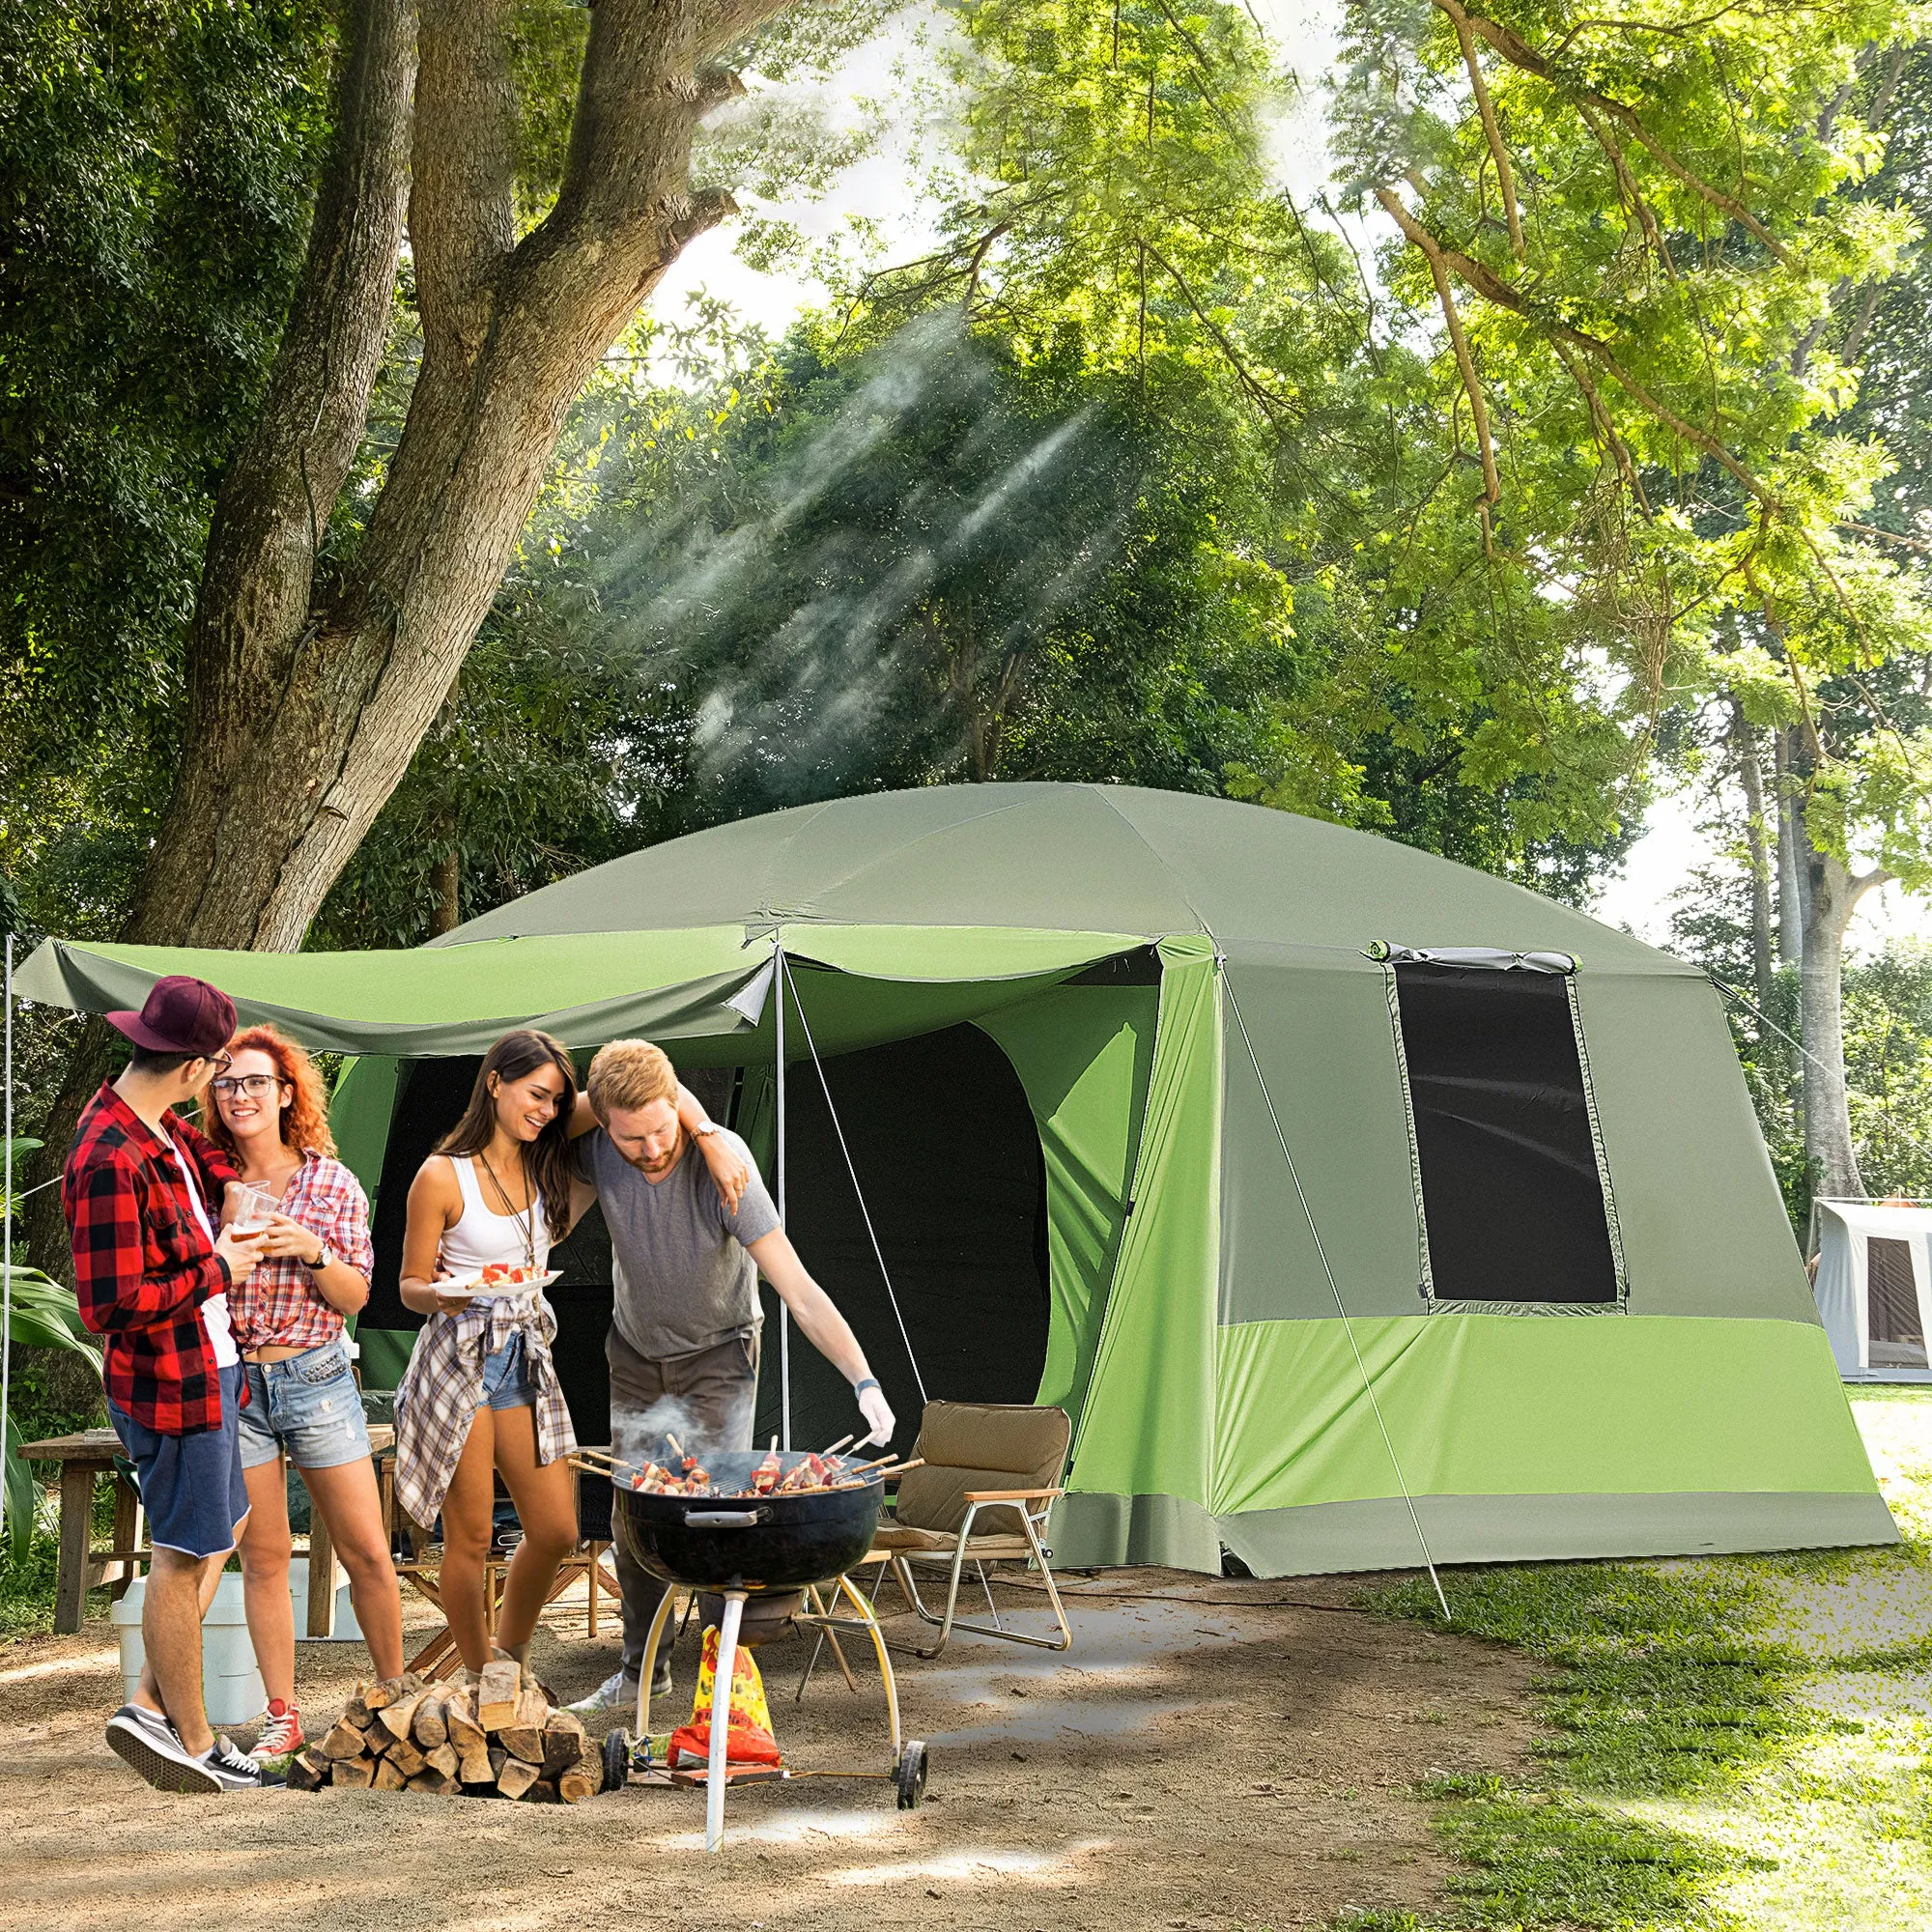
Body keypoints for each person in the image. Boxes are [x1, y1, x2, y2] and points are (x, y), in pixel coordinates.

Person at [391, 1030, 742, 1676]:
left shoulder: (545, 1153)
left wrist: (711, 1138)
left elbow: (649, 1087)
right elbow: (409, 1284)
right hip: (458, 1358)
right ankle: (483, 1681)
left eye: (556, 1100)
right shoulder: (441, 1176)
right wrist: (442, 1294)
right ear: (495, 1083)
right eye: (536, 1095)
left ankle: (509, 1656)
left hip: (522, 1356)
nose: (548, 1111)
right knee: (468, 1538)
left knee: (556, 1529)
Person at [565, 1038, 895, 1721]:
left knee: (719, 1518)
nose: (653, 1148)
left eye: (663, 1128)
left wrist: (863, 1381)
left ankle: (724, 1696)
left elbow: (798, 1290)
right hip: (633, 1352)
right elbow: (536, 1126)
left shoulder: (726, 1168)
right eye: (633, 1137)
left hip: (720, 1354)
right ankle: (641, 1675)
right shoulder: (597, 1148)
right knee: (636, 1519)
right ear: (603, 1124)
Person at [64, 975, 282, 1792]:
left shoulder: (156, 1130)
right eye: (217, 1074)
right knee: (183, 1554)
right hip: (172, 1386)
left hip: (212, 1370)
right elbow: (111, 1306)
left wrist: (230, 1192)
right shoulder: (109, 1155)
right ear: (193, 1068)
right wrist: (217, 1266)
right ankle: (191, 1741)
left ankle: (154, 1707)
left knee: (217, 1533)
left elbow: (205, 1166)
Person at [200, 1024, 405, 1761]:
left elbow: (355, 1297)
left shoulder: (330, 1183)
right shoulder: (207, 1182)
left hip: (315, 1376)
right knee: (262, 1556)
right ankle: (282, 1716)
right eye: (226, 1083)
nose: (240, 1095)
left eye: (255, 1081)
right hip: (239, 1383)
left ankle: (392, 1699)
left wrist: (309, 1249)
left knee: (366, 1551)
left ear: (287, 1093)